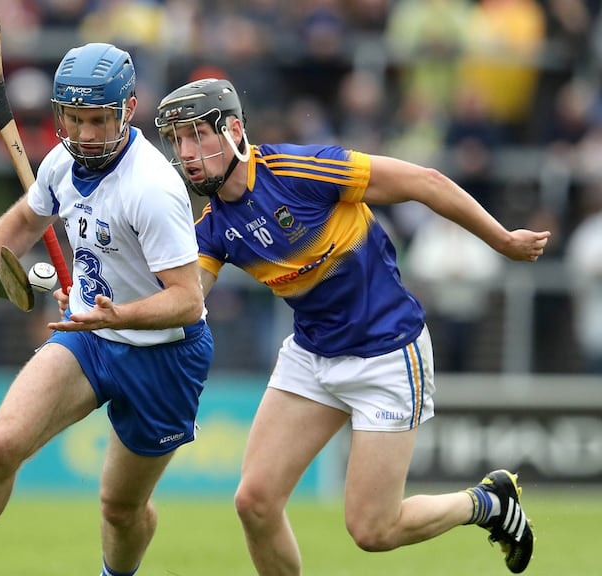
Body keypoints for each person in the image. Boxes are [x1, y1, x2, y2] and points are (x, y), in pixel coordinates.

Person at [154, 78, 550, 575]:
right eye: (177, 140)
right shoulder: (213, 225)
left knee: (372, 531)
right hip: (311, 354)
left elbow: (426, 182)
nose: (186, 153)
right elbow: (185, 301)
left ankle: (488, 503)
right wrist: (101, 304)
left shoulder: (301, 169)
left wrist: (502, 240)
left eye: (196, 136)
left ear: (234, 131)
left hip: (386, 352)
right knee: (254, 501)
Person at [0, 43, 212, 576]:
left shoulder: (152, 188)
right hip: (87, 337)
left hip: (164, 355)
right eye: (74, 119)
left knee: (120, 509)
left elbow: (188, 301)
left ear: (128, 109)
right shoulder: (61, 162)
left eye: (98, 120)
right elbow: (23, 223)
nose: (85, 134)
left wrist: (118, 316)